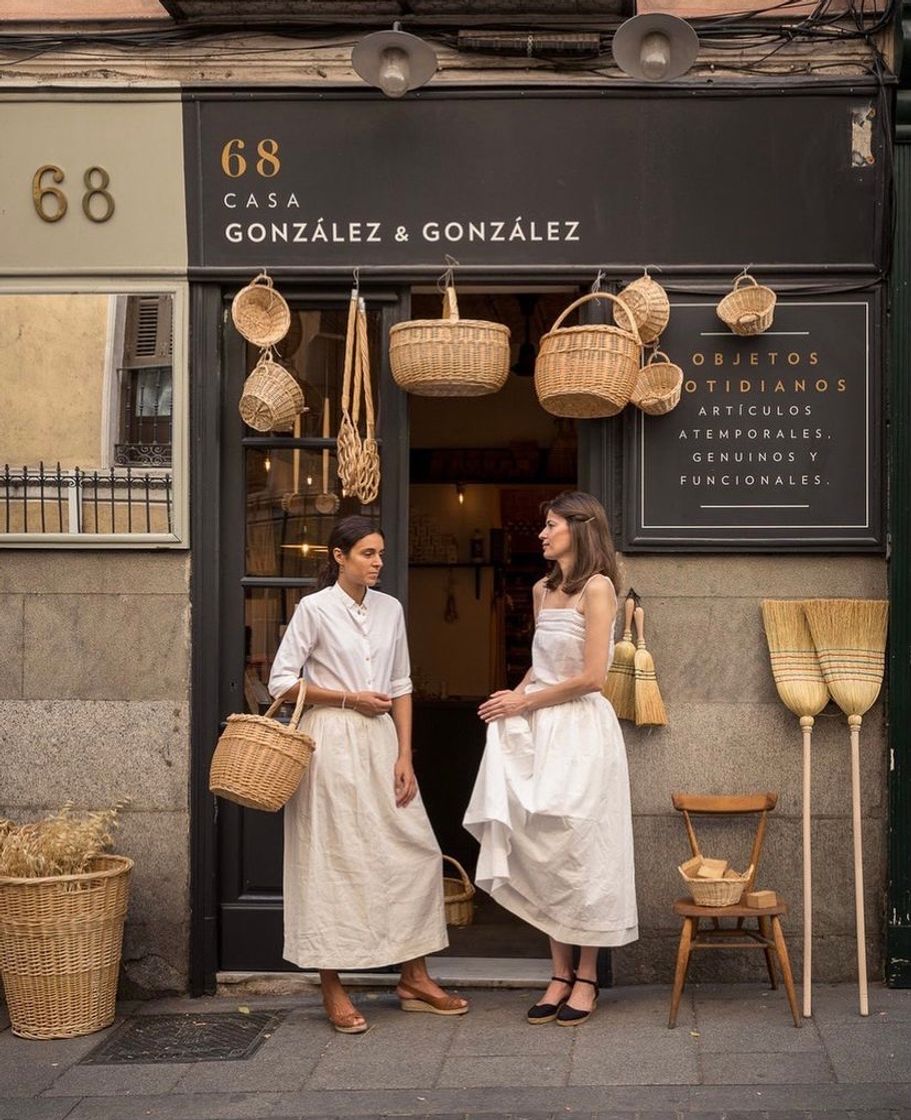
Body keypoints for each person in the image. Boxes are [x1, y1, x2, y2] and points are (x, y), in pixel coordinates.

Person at [269, 515, 468, 1033]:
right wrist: (346, 697)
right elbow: (280, 683)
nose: (378, 563)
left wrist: (406, 755)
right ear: (339, 556)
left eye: (380, 554)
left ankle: (414, 976)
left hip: (381, 744)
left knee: (413, 851)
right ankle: (332, 986)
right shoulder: (314, 609)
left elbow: (400, 684)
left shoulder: (391, 610)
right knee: (329, 860)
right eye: (368, 554)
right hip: (330, 743)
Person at [463, 491, 638, 1026]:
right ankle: (558, 972)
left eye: (551, 525)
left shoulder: (599, 588)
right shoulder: (541, 589)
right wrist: (509, 703)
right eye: (543, 525)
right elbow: (539, 670)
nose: (541, 533)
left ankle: (586, 977)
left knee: (581, 848)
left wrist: (525, 700)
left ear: (580, 530)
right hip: (541, 726)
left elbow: (591, 678)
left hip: (582, 730)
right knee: (542, 846)